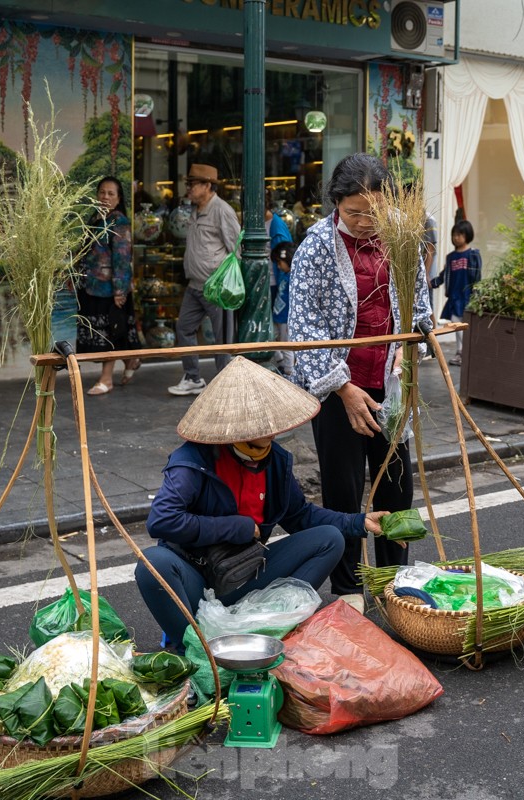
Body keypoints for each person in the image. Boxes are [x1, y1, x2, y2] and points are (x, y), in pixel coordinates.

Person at [135, 356, 387, 647]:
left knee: (330, 539)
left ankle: (265, 629)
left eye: (268, 436)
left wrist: (357, 521)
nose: (264, 444)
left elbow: (300, 515)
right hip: (197, 578)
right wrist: (237, 527)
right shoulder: (192, 461)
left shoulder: (276, 461)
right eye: (255, 440)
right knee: (151, 563)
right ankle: (193, 648)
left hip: (246, 571)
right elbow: (162, 521)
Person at [288, 153, 433, 611]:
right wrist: (342, 387)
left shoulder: (401, 239)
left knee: (396, 484)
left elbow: (420, 303)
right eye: (355, 213)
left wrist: (417, 344)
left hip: (390, 382)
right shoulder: (316, 247)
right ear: (336, 204)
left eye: (375, 211)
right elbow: (302, 325)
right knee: (344, 489)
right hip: (339, 388)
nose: (367, 222)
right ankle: (349, 587)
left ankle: (396, 582)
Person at [168, 163, 241, 397]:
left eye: (192, 184)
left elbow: (236, 249)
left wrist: (227, 282)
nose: (188, 188)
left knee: (223, 340)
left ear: (207, 186)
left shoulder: (222, 210)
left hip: (216, 287)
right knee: (184, 328)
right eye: (188, 184)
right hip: (195, 285)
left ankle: (224, 385)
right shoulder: (194, 210)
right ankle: (192, 377)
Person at [76, 176, 140, 395]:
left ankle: (106, 379)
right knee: (112, 331)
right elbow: (84, 252)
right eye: (102, 192)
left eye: (111, 193)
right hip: (90, 286)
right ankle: (130, 360)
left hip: (109, 290)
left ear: (118, 198)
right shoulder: (94, 218)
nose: (105, 197)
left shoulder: (119, 222)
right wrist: (73, 275)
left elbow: (122, 259)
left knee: (108, 334)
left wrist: (120, 290)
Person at [431, 219, 482, 365]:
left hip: (467, 296)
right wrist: (433, 282)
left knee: (461, 324)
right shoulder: (451, 257)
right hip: (454, 296)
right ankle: (462, 352)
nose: (456, 237)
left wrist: (477, 295)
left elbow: (478, 276)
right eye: (454, 234)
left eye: (460, 234)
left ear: (468, 235)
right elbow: (444, 274)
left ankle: (463, 352)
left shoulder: (473, 255)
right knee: (456, 323)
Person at [267, 203, 296, 376]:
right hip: (279, 314)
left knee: (286, 345)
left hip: (286, 316)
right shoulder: (284, 275)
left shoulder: (292, 277)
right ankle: (281, 364)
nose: (278, 266)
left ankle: (290, 372)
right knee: (275, 340)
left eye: (279, 262)